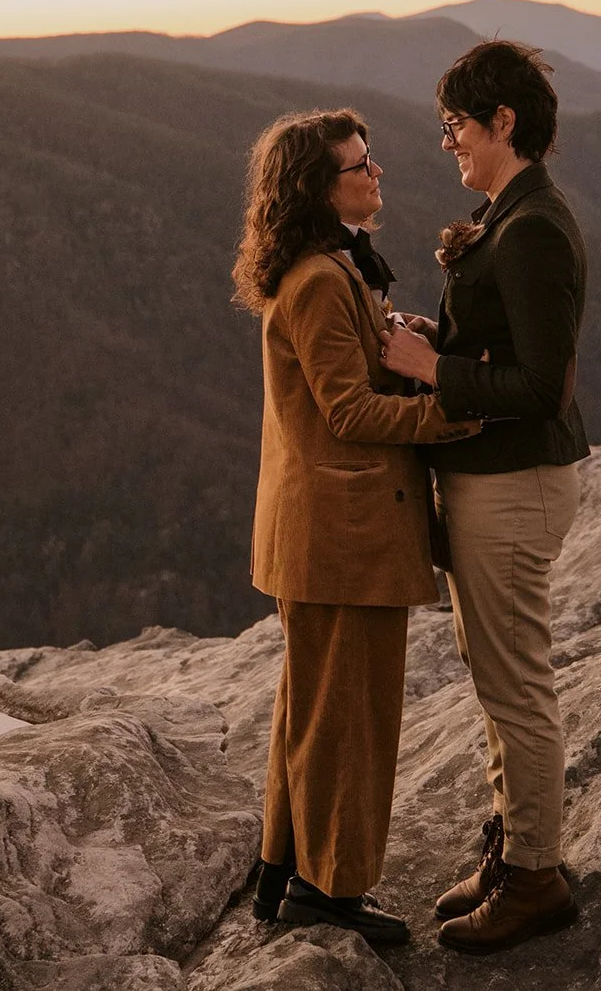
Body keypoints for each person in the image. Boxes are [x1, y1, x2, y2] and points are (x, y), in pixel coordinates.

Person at [235, 108, 479, 945]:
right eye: (359, 167)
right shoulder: (317, 280)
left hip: (323, 533)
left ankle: (281, 873)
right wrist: (454, 414)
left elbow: (338, 378)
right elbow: (347, 411)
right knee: (351, 716)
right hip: (344, 536)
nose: (378, 174)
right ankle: (328, 891)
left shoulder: (329, 269)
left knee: (313, 708)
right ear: (318, 186)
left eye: (371, 161)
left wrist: (394, 340)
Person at [380, 40, 589, 955]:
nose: (448, 142)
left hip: (514, 485)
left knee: (516, 687)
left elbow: (544, 385)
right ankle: (514, 850)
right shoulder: (508, 212)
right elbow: (502, 346)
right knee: (498, 681)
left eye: (457, 125)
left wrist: (436, 369)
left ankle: (537, 877)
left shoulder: (534, 224)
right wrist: (446, 342)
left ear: (504, 122)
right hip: (490, 486)